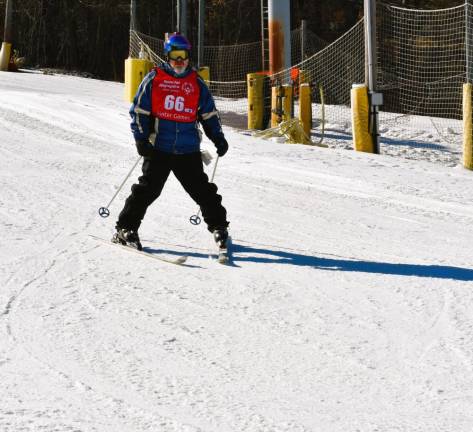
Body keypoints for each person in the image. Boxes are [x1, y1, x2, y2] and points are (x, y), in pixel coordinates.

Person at [112, 32, 229, 251]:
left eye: (183, 55)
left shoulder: (196, 83)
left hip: (187, 149)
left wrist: (218, 138)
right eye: (175, 56)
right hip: (159, 148)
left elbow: (209, 114)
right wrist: (141, 139)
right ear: (167, 55)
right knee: (147, 190)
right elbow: (139, 111)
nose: (179, 61)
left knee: (202, 191)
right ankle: (125, 229)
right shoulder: (155, 79)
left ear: (188, 56)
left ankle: (219, 227)